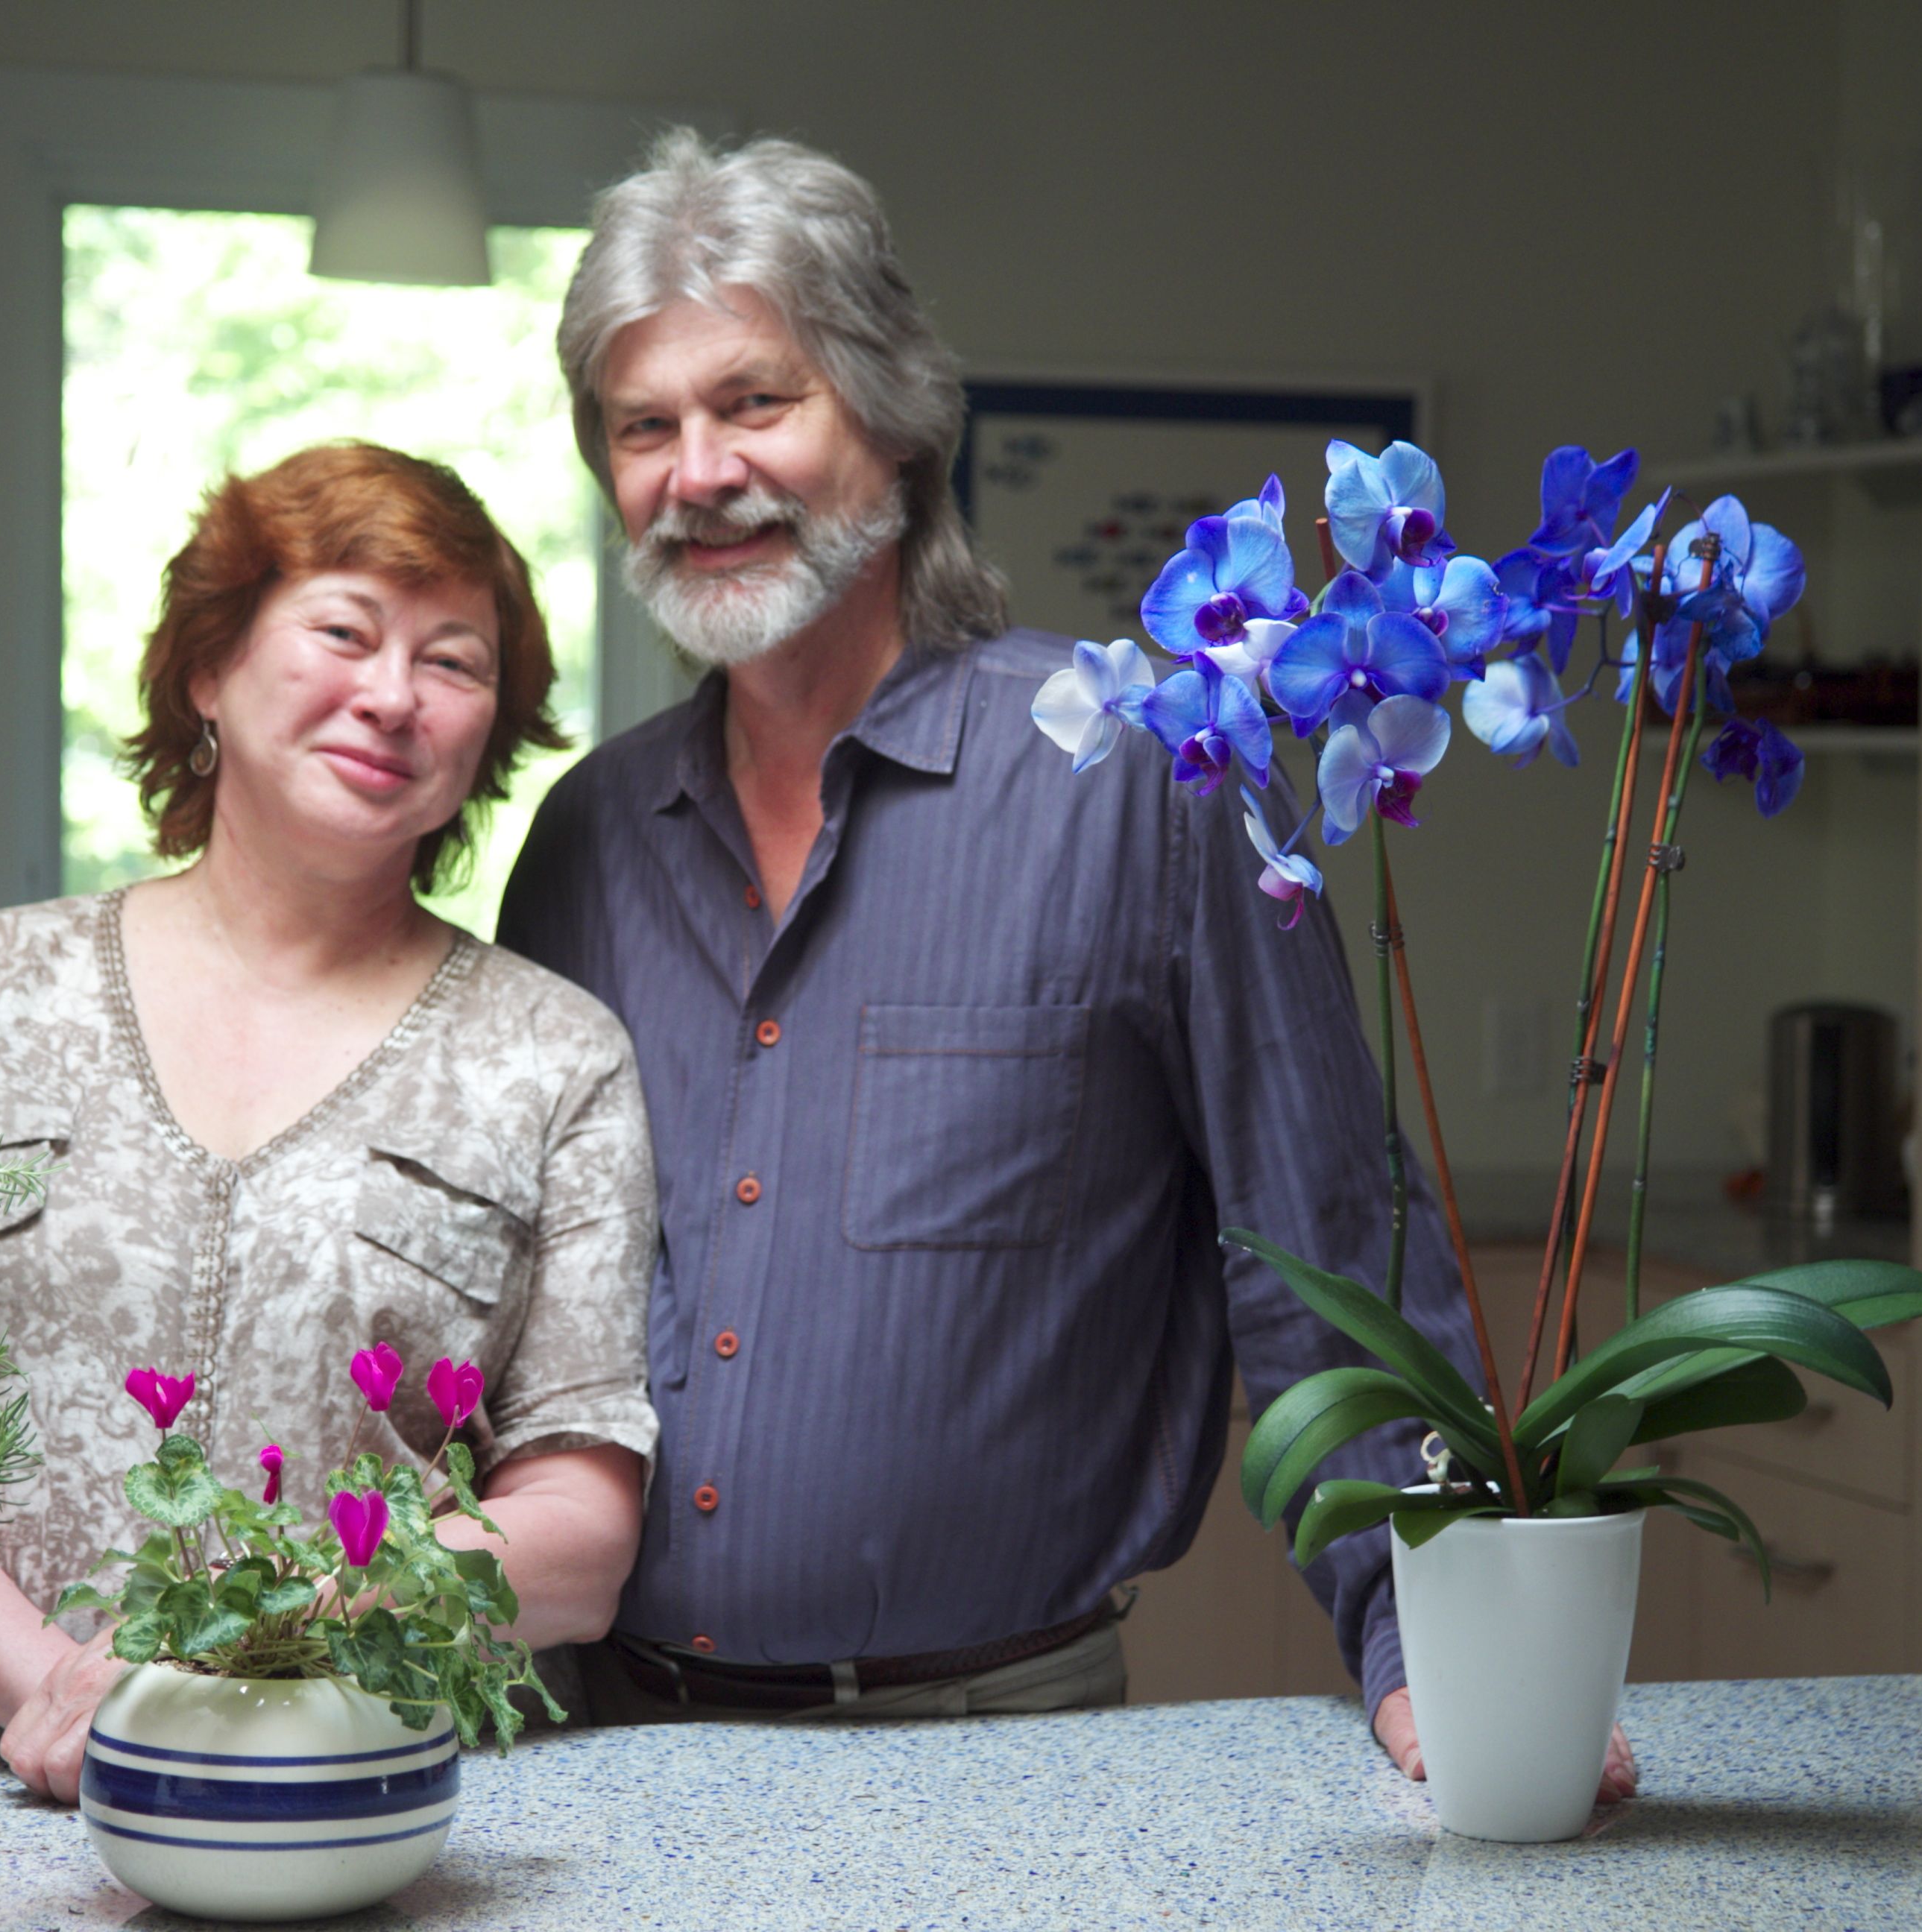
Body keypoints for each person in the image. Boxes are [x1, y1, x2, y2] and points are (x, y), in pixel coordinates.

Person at [497, 133, 1634, 1799]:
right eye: (643, 425)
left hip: (998, 1754)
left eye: (756, 402)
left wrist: (1429, 1655)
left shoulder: (1142, 782)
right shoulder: (586, 841)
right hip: (602, 1747)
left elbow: (1329, 1254)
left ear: (889, 422)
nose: (698, 471)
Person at [0, 443, 659, 1801]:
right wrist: (59, 1699)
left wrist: (246, 1674)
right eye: (344, 631)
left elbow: (578, 1539)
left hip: (399, 1799)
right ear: (209, 668)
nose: (392, 696)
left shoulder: (556, 1055)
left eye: (454, 664)